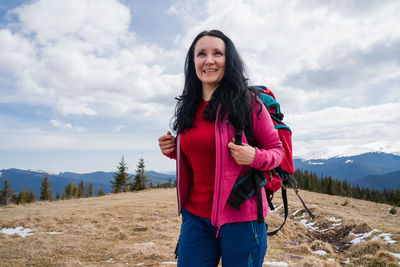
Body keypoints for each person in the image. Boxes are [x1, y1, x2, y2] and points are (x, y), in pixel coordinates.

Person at [158, 30, 284, 267]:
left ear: (229, 60)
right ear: (193, 62)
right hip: (195, 218)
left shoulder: (248, 102)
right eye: (201, 54)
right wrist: (174, 149)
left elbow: (277, 152)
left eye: (218, 53)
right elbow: (204, 152)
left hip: (242, 219)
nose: (209, 60)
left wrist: (254, 156)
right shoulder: (188, 106)